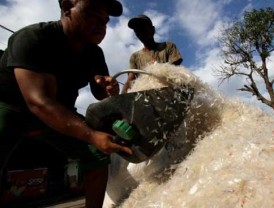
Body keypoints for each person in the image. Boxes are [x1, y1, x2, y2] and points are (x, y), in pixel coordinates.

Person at [0, 0, 132, 207]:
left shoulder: (94, 53)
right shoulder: (33, 37)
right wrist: (91, 134)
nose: (101, 25)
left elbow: (99, 92)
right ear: (67, 7)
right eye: (92, 15)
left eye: (105, 21)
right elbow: (38, 102)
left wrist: (105, 87)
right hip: (11, 108)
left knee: (97, 155)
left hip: (60, 112)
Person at [122, 14, 183, 93]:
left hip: (169, 92)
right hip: (145, 97)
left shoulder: (168, 46)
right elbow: (130, 80)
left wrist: (156, 68)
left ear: (152, 30)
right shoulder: (135, 56)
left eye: (142, 27)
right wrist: (120, 100)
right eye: (136, 30)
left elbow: (174, 69)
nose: (140, 32)